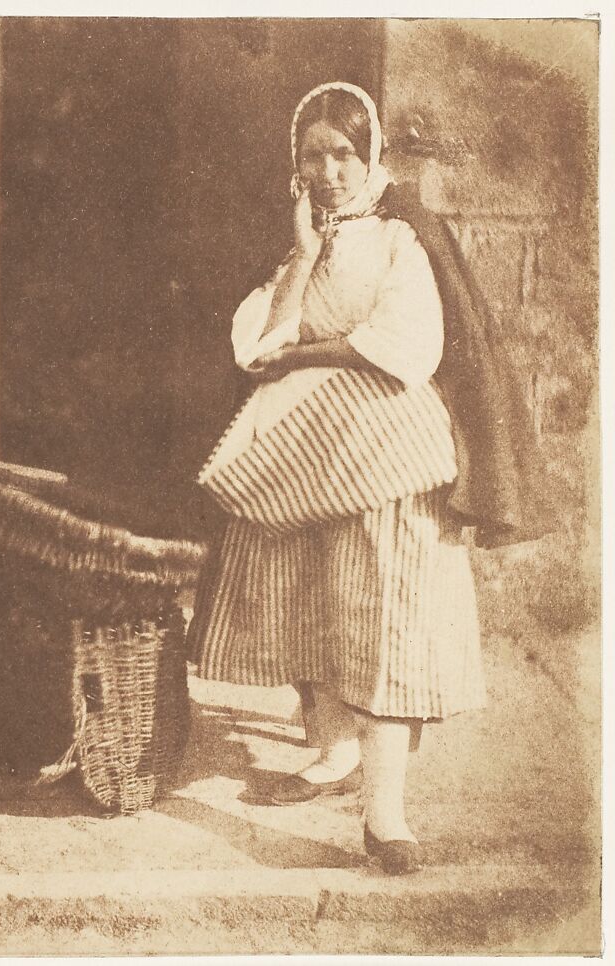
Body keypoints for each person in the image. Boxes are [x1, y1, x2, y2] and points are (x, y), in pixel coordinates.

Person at [188, 83, 548, 874]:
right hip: (301, 454)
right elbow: (255, 345)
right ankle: (331, 752)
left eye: (345, 154)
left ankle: (386, 815)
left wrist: (312, 351)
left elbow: (407, 343)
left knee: (388, 622)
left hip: (387, 449)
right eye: (313, 156)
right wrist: (308, 254)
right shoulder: (299, 243)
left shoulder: (402, 235)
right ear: (296, 165)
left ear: (371, 153)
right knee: (311, 602)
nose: (331, 171)